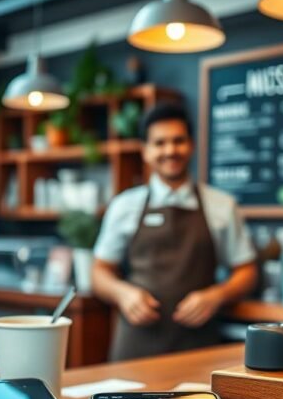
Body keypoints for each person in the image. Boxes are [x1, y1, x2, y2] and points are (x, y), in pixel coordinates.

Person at [92, 103, 258, 361]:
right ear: (145, 151)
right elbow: (99, 272)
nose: (170, 150)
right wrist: (123, 293)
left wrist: (217, 295)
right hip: (136, 348)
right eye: (159, 143)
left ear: (191, 145)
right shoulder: (124, 205)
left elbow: (247, 271)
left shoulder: (222, 206)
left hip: (199, 348)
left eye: (178, 141)